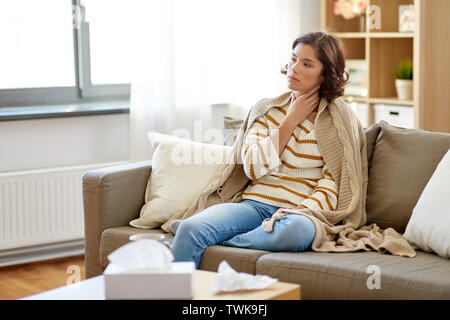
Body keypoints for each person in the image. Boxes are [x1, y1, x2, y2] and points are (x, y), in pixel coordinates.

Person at [170, 31, 350, 268]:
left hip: (299, 213)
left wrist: (303, 209)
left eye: (306, 64)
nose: (294, 68)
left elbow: (335, 180)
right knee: (191, 228)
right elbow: (253, 167)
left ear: (325, 74)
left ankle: (227, 241)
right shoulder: (267, 110)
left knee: (296, 232)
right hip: (254, 205)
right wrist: (290, 120)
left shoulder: (338, 119)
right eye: (293, 59)